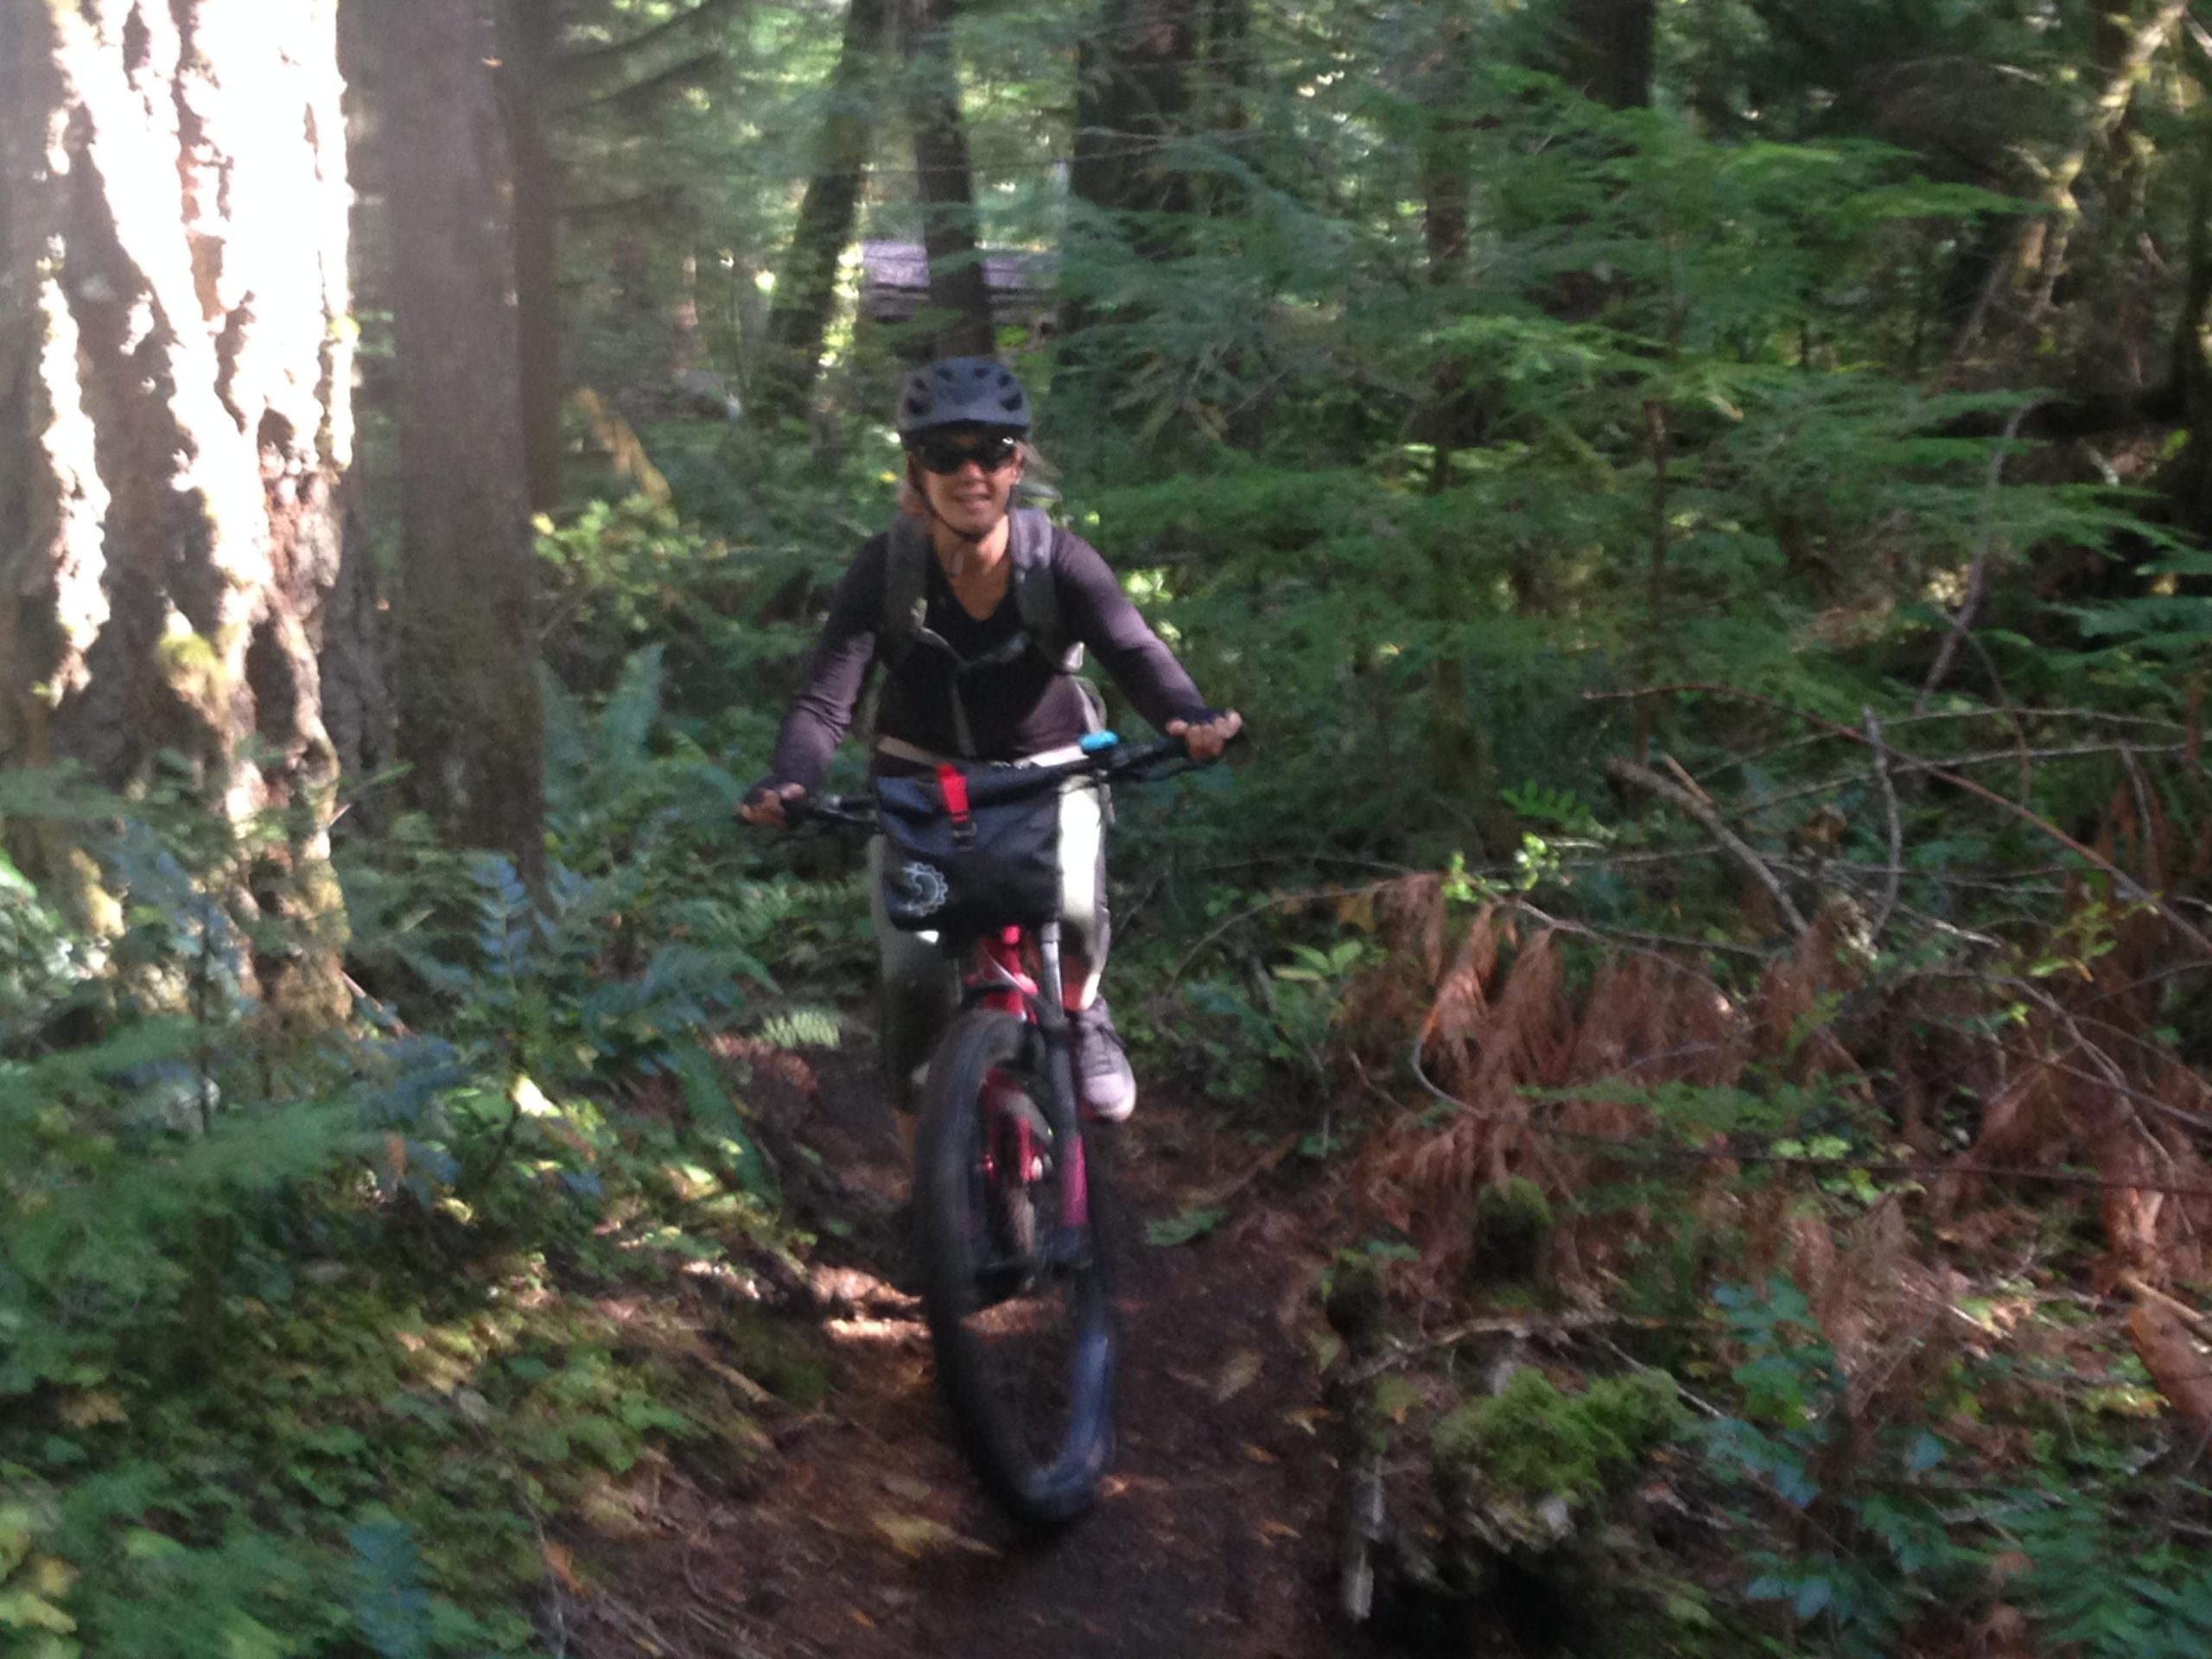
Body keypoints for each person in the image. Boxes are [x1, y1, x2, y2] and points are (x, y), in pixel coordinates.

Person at [741, 357, 1241, 1122]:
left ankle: (1083, 1012)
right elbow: (826, 696)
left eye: (993, 452)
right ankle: (933, 1184)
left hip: (1046, 777)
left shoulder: (1060, 562)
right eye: (946, 454)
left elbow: (1134, 650)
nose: (970, 472)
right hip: (921, 789)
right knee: (911, 973)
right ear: (916, 466)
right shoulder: (885, 570)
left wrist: (1187, 717)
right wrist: (790, 778)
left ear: (1018, 465)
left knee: (1072, 917)